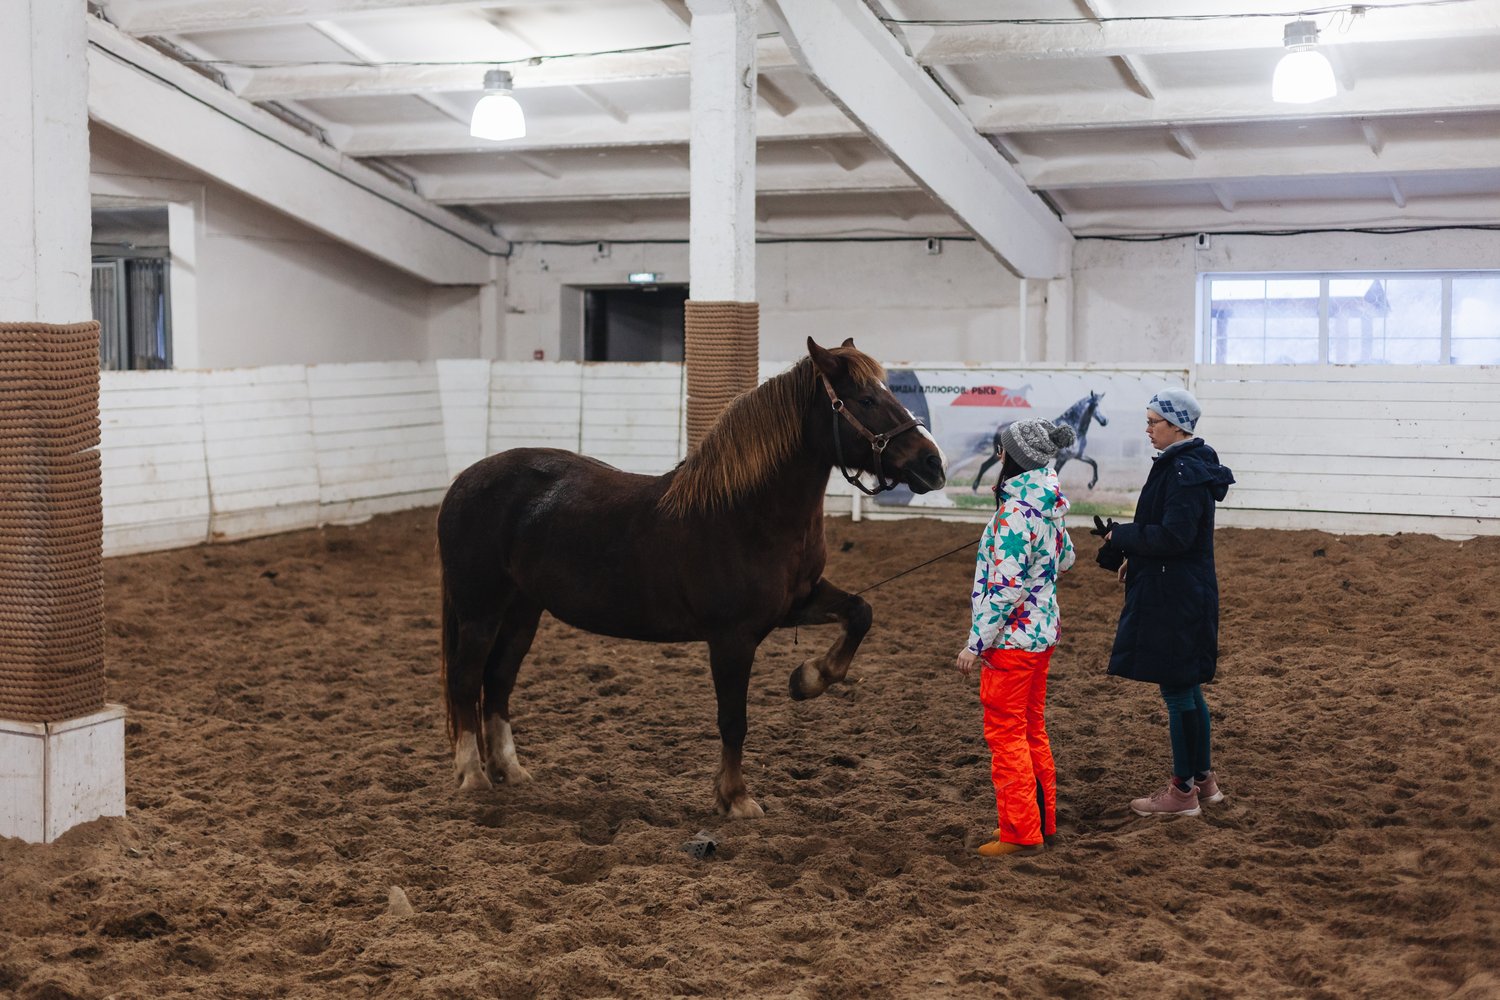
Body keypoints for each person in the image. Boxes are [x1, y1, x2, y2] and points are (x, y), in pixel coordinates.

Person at [1095, 387, 1235, 817]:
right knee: (1188, 689)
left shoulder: (1181, 473)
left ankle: (1181, 792)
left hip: (1174, 594)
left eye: (1154, 421)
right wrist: (1134, 555)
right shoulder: (1188, 467)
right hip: (1182, 587)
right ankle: (1204, 781)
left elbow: (1175, 536)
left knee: (1177, 693)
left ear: (1176, 426)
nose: (1148, 428)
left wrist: (1122, 536)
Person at [956, 418, 1077, 857]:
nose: (999, 456)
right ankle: (1041, 824)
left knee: (1006, 736)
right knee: (1032, 731)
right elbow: (1066, 560)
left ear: (1014, 459)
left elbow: (1004, 588)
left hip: (1010, 643)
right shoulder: (1049, 504)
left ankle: (1021, 835)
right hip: (1042, 636)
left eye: (1003, 451)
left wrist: (975, 644)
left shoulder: (1014, 514)